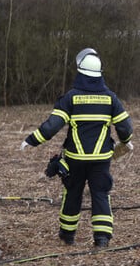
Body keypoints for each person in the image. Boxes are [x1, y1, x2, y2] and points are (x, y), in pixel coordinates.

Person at [20, 48, 133, 247]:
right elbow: (125, 127)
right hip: (100, 161)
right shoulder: (111, 98)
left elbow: (53, 125)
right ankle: (102, 239)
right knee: (100, 195)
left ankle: (67, 236)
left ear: (80, 72)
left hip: (75, 160)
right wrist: (126, 140)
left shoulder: (71, 98)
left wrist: (32, 139)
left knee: (72, 195)